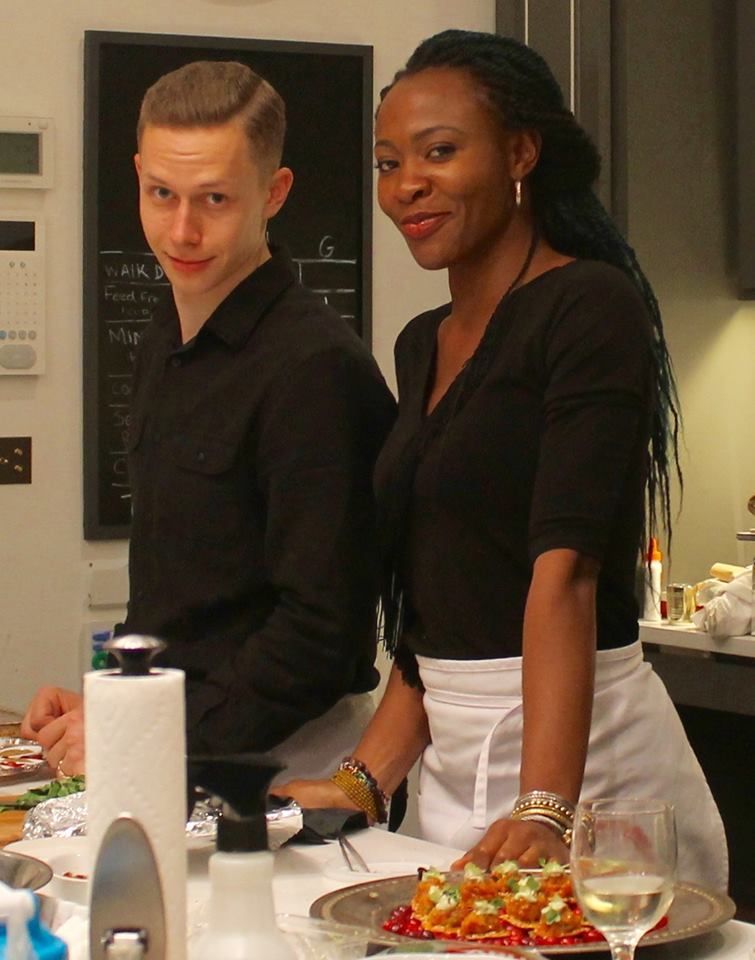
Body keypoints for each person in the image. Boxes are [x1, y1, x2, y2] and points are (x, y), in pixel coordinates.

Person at [275, 30, 728, 890]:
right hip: (453, 773)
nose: (406, 184)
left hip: (589, 775)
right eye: (386, 162)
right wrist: (361, 780)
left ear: (521, 152)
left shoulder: (589, 309)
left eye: (439, 152)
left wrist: (545, 806)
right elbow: (441, 609)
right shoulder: (421, 346)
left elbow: (566, 575)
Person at [21, 60, 396, 782]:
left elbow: (320, 634)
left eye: (215, 199)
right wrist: (112, 707)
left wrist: (151, 736)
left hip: (286, 764)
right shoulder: (166, 337)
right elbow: (182, 600)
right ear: (137, 176)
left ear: (274, 192)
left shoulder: (316, 369)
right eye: (161, 194)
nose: (182, 230)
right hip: (174, 746)